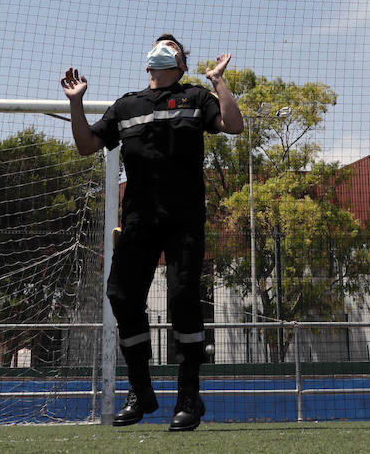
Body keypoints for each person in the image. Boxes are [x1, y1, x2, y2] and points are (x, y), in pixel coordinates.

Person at [62, 35, 244, 432]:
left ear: (181, 62)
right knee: (120, 296)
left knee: (182, 299)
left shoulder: (196, 98)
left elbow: (234, 125)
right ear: (148, 64)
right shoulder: (126, 106)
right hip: (139, 222)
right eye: (158, 45)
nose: (162, 48)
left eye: (171, 46)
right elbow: (86, 145)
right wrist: (76, 103)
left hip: (184, 221)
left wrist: (218, 81)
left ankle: (189, 398)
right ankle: (141, 391)